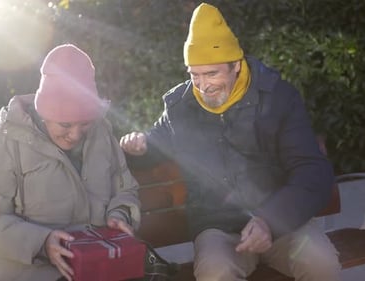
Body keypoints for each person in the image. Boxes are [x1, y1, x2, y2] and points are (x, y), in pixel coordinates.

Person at [120, 3, 341, 281]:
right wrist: (137, 148)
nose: (203, 86)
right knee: (215, 273)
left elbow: (312, 171)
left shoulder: (277, 97)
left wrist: (268, 222)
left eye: (212, 73)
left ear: (236, 65)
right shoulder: (181, 107)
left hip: (284, 222)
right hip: (219, 229)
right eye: (194, 75)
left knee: (322, 264)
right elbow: (155, 145)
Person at [0, 44, 141, 281]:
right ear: (43, 113)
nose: (76, 134)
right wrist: (42, 243)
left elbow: (125, 189)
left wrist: (120, 214)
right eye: (65, 125)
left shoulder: (102, 133)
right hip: (31, 273)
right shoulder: (3, 144)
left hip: (98, 266)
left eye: (84, 123)